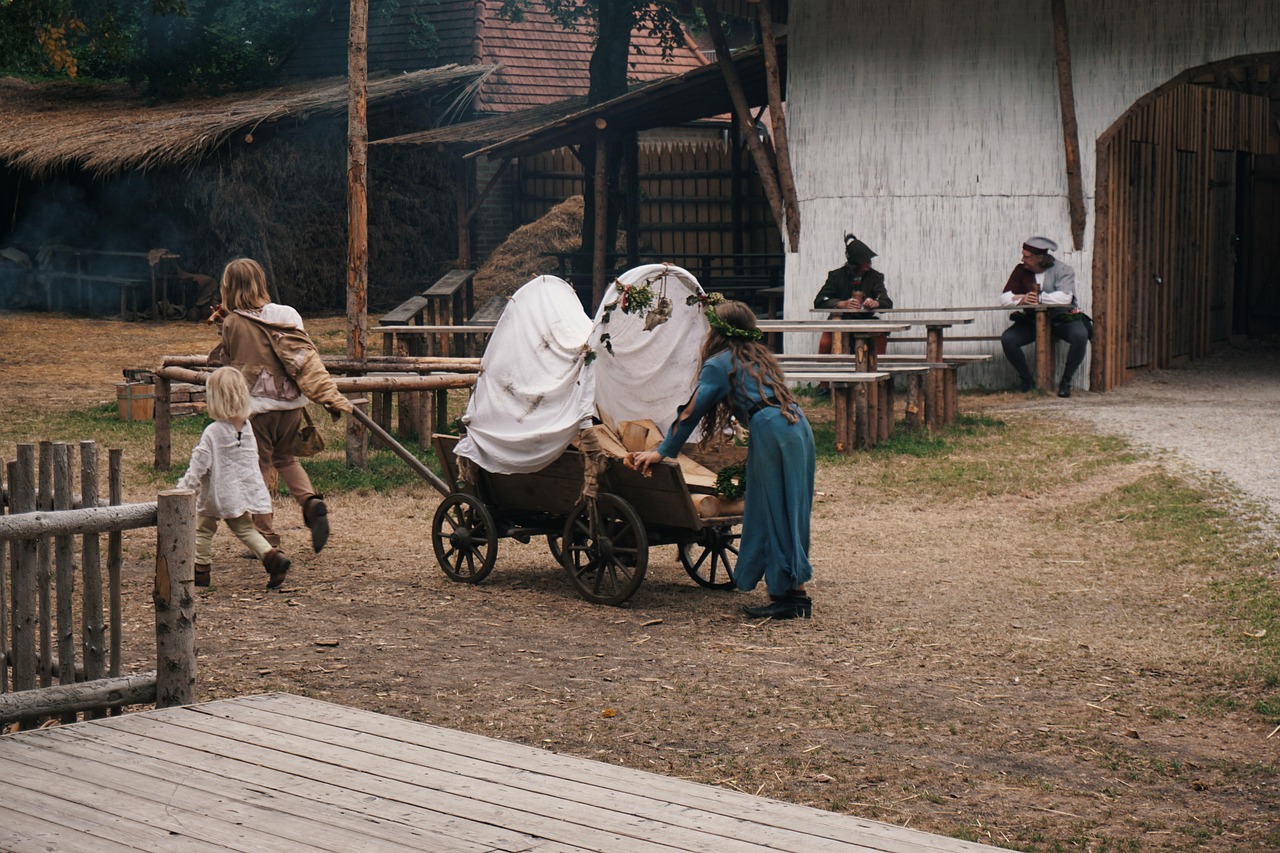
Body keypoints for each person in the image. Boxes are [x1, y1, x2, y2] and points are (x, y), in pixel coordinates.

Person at [625, 299, 816, 620]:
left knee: (773, 508)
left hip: (772, 429)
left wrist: (662, 451)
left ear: (718, 332)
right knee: (790, 508)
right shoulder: (758, 358)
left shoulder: (719, 363)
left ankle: (791, 596)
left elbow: (690, 413)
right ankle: (790, 589)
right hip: (797, 427)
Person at [209, 258, 353, 554]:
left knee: (259, 465)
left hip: (258, 409)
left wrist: (224, 325)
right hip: (291, 406)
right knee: (286, 459)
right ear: (260, 282)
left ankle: (264, 536)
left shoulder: (233, 323)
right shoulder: (288, 313)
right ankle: (311, 502)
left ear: (229, 287)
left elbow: (230, 360)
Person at [176, 367, 291, 589]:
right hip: (238, 492)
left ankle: (200, 571)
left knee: (203, 529)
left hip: (217, 494)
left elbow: (199, 463)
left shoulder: (214, 431)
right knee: (245, 528)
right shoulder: (246, 427)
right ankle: (272, 557)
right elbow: (249, 460)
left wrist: (185, 487)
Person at [998, 236, 1090, 397]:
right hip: (1032, 320)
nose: (1022, 259)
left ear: (1039, 258)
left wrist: (1038, 297)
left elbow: (1065, 297)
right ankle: (1027, 381)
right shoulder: (1020, 270)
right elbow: (1005, 298)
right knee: (1008, 339)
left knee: (1080, 336)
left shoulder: (1063, 270)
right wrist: (1023, 300)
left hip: (1062, 318)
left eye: (1027, 256)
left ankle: (1066, 381)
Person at [812, 234, 894, 393]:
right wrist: (841, 304)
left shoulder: (876, 277)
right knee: (825, 343)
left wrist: (875, 303)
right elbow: (820, 300)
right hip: (841, 320)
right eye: (864, 263)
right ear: (854, 263)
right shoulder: (836, 276)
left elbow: (886, 301)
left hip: (865, 321)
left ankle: (879, 381)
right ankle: (824, 385)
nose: (868, 265)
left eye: (869, 262)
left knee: (881, 336)